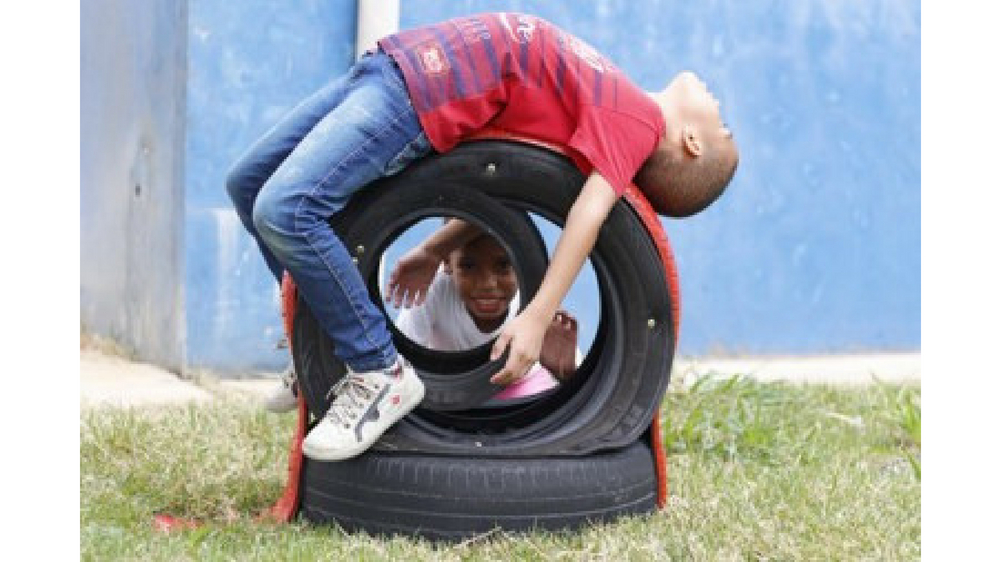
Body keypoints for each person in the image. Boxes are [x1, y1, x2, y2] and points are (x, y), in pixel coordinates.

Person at [226, 12, 738, 462]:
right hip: (394, 66)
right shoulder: (613, 98)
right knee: (249, 185)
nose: (720, 107)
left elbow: (587, 213)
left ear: (692, 143)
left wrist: (536, 314)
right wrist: (434, 248)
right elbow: (505, 193)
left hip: (417, 99)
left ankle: (377, 370)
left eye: (726, 130)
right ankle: (321, 342)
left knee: (287, 209)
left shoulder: (638, 123)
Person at [392, 224, 579, 400]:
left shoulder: (534, 299)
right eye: (469, 266)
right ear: (447, 262)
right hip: (449, 389)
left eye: (503, 265)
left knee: (554, 405)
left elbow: (572, 376)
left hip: (520, 385)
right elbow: (401, 362)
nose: (487, 284)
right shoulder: (432, 290)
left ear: (520, 263)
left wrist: (564, 374)